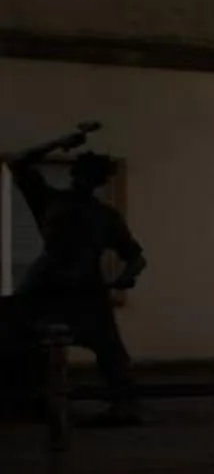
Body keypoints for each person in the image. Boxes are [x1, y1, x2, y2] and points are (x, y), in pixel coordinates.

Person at [6, 128, 144, 425]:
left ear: (99, 181)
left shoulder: (105, 216)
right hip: (46, 282)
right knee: (16, 335)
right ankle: (24, 399)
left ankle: (123, 404)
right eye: (82, 173)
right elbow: (17, 162)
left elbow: (134, 255)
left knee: (109, 349)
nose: (85, 180)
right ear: (74, 174)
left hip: (84, 288)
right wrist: (58, 142)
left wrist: (125, 277)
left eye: (92, 175)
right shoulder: (49, 200)